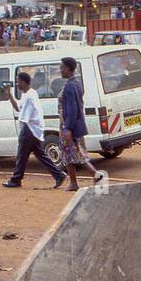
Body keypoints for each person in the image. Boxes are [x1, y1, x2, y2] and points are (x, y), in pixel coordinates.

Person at [2, 71, 67, 190]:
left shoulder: (29, 96)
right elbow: (18, 109)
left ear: (24, 82)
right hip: (34, 128)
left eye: (18, 82)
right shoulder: (28, 94)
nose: (17, 84)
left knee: (22, 155)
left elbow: (23, 116)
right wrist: (9, 95)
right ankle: (58, 175)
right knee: (39, 154)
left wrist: (23, 132)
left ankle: (16, 179)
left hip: (30, 128)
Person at [57, 56, 90, 192]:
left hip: (69, 124)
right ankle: (78, 180)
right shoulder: (76, 83)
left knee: (70, 153)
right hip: (76, 124)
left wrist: (67, 128)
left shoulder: (70, 86)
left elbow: (71, 108)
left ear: (68, 69)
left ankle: (78, 181)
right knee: (78, 152)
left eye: (62, 68)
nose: (60, 70)